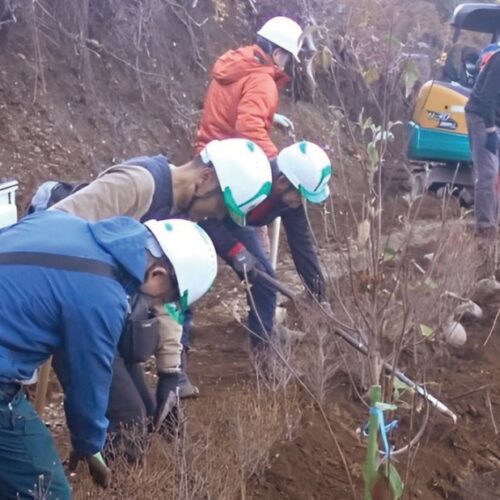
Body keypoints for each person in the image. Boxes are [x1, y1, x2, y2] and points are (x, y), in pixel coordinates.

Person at [38, 138, 271, 459]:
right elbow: (47, 231)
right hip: (66, 308)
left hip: (99, 311)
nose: (213, 216)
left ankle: (88, 469)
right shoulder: (137, 186)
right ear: (206, 180)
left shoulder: (177, 212)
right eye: (218, 207)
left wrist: (171, 374)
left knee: (145, 413)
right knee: (126, 420)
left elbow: (169, 299)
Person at [0, 211, 217, 498]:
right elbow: (88, 379)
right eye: (164, 299)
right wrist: (89, 444)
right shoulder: (103, 297)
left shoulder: (57, 221)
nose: (155, 304)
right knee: (48, 491)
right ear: (157, 275)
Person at [196, 141, 332, 350]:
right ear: (283, 182)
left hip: (238, 222)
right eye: (301, 195)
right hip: (205, 217)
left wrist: (319, 296)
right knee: (184, 280)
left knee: (264, 278)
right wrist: (235, 251)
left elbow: (302, 244)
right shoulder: (250, 179)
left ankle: (264, 351)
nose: (301, 201)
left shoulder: (289, 200)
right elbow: (204, 217)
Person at [195, 16, 303, 158]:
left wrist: (270, 116)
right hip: (226, 163)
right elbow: (249, 130)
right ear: (277, 53)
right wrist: (275, 161)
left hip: (205, 153)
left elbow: (231, 102)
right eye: (287, 58)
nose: (285, 65)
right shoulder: (262, 81)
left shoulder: (239, 62)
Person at [465, 45, 500, 234]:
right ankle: (485, 228)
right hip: (480, 116)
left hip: (496, 117)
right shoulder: (499, 60)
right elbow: (486, 98)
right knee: (488, 172)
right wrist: (491, 130)